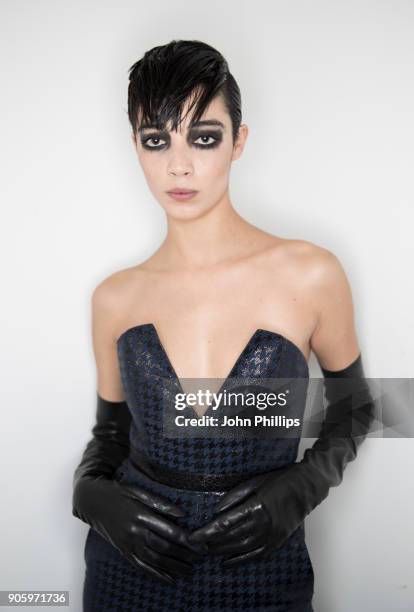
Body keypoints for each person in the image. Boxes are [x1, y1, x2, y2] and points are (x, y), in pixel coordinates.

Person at [72, 39, 374, 611]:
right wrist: (91, 494)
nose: (178, 164)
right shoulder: (115, 297)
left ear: (238, 141)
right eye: (155, 140)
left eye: (203, 137)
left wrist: (303, 486)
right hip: (130, 565)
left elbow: (355, 408)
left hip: (259, 569)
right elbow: (109, 435)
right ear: (135, 147)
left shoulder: (311, 273)